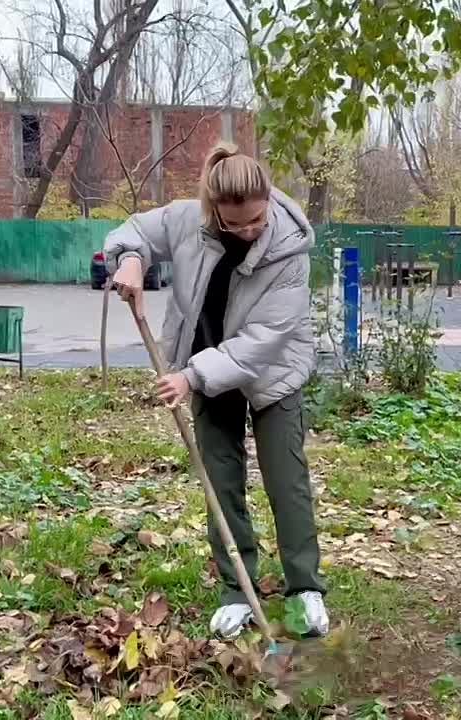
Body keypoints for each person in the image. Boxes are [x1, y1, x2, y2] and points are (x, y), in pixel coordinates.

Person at [103, 143, 328, 640]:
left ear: (268, 201)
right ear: (213, 211)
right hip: (206, 359)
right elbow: (134, 230)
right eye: (236, 226)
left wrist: (190, 377)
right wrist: (131, 259)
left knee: (285, 480)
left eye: (257, 221)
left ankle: (303, 588)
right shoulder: (188, 221)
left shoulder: (290, 249)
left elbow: (263, 340)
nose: (250, 232)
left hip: (271, 368)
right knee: (220, 481)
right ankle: (237, 590)